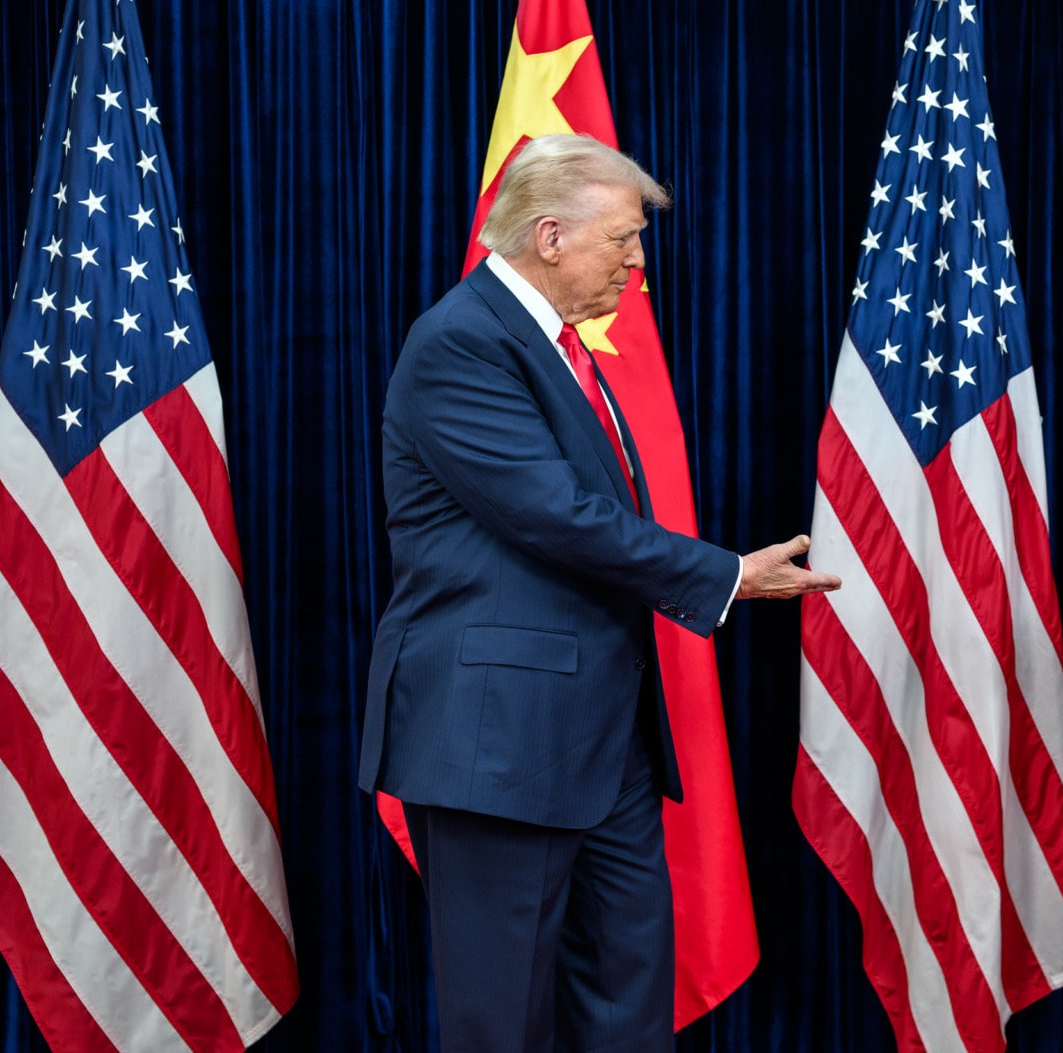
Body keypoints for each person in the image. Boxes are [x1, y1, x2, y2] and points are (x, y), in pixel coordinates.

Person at [358, 133, 839, 1053]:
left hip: (603, 740)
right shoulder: (459, 343)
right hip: (496, 744)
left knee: (629, 1003)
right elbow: (560, 515)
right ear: (549, 237)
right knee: (501, 1021)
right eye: (621, 239)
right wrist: (727, 575)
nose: (638, 261)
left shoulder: (564, 350)